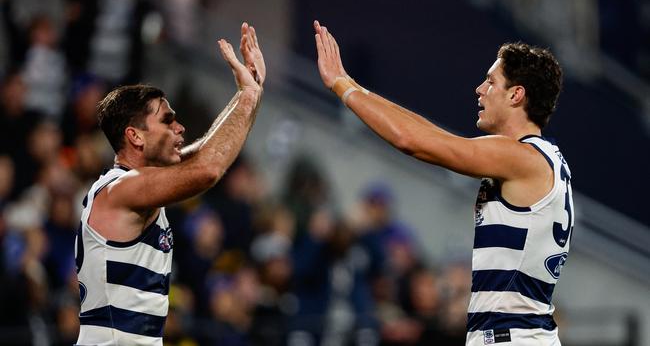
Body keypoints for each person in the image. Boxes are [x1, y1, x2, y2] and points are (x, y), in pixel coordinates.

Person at [313, 21, 573, 346]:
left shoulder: (520, 157)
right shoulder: (543, 157)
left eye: (491, 82)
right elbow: (428, 133)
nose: (480, 89)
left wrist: (343, 88)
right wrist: (356, 86)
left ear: (516, 95)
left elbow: (412, 141)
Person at [74, 22, 265, 345]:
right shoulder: (123, 189)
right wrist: (247, 97)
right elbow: (208, 168)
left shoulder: (137, 186)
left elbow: (202, 155)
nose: (180, 127)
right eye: (167, 119)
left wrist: (250, 92)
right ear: (134, 136)